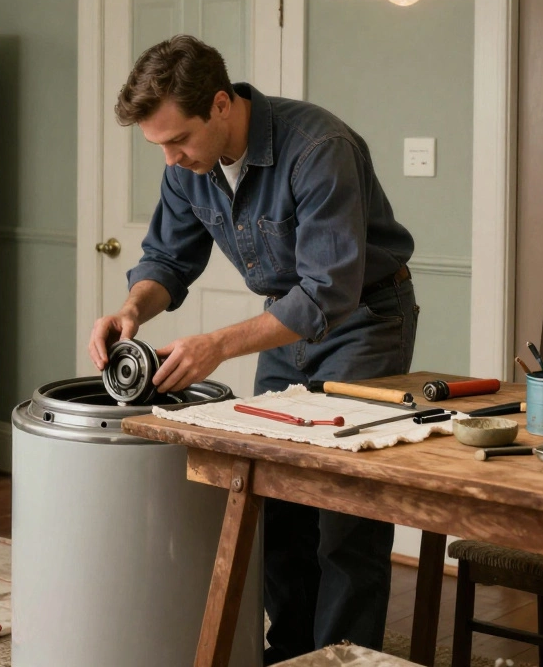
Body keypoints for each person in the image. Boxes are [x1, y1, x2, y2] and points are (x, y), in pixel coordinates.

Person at [88, 34, 419, 663]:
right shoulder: (189, 168)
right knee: (278, 509)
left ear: (219, 105)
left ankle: (344, 658)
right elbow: (167, 258)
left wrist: (219, 344)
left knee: (345, 519)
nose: (170, 159)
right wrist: (132, 309)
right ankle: (293, 652)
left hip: (364, 321)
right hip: (282, 329)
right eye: (157, 145)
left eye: (176, 140)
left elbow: (326, 294)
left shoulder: (320, 148)